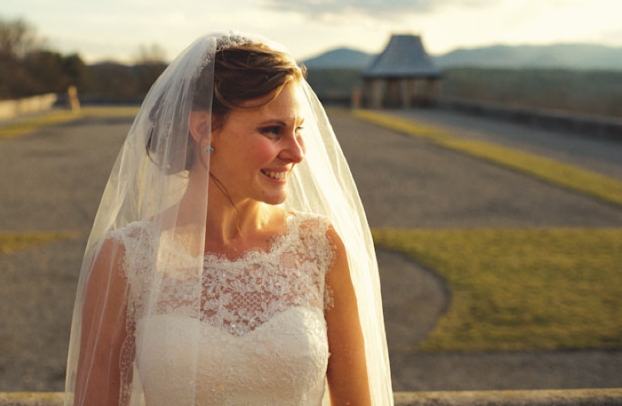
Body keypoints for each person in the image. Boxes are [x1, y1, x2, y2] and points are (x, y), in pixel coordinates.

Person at [65, 31, 393, 406]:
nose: (297, 152)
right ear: (205, 129)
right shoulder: (126, 258)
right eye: (273, 130)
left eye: (298, 130)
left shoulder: (319, 246)